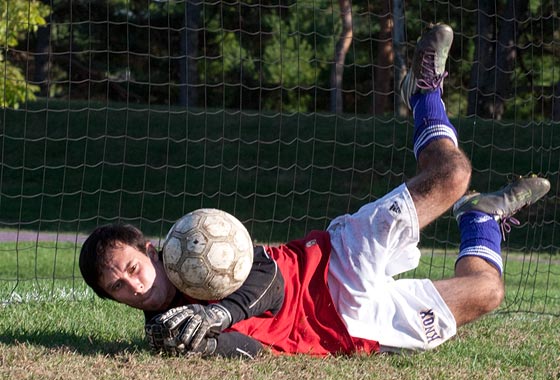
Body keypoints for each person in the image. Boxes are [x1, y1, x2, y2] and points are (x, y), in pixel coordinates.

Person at [79, 23, 550, 358]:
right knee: (487, 292)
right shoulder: (170, 330)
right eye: (119, 288)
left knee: (450, 176)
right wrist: (204, 341)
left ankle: (423, 92)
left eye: (133, 269)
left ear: (149, 249)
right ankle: (481, 221)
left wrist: (220, 313)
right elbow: (253, 355)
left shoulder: (197, 243)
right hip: (354, 331)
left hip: (335, 263)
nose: (134, 286)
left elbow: (271, 279)